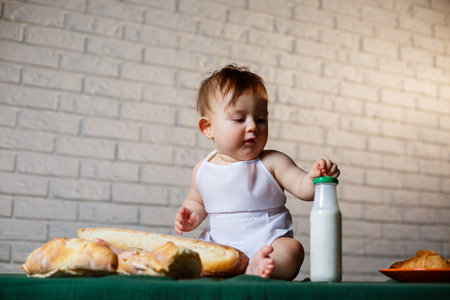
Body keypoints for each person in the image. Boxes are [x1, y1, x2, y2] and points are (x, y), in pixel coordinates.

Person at [174, 64, 340, 280]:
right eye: (239, 119)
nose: (253, 126)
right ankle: (228, 269)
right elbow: (196, 202)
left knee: (292, 250)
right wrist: (190, 216)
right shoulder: (203, 169)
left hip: (267, 242)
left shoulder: (272, 161)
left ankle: (257, 269)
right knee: (190, 252)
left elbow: (303, 189)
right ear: (208, 127)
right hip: (220, 245)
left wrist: (314, 178)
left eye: (261, 119)